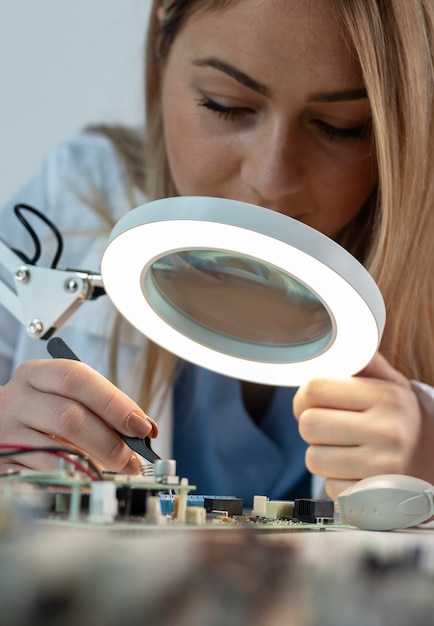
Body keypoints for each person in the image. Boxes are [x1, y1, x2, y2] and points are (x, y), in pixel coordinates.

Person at [1, 0, 434, 507]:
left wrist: (425, 454)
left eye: (339, 125)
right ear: (163, 41)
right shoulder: (66, 205)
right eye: (225, 103)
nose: (271, 178)